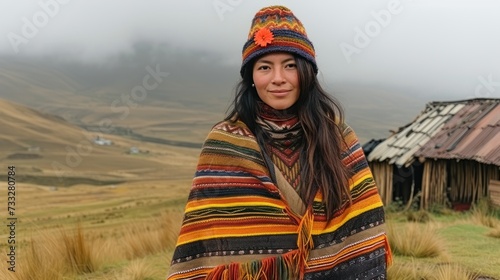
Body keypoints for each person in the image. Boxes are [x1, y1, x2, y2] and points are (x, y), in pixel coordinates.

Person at [167, 5, 392, 280]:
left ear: (307, 72)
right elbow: (206, 239)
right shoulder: (224, 144)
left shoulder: (339, 138)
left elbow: (363, 224)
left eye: (290, 66)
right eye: (265, 67)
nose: (278, 79)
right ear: (251, 76)